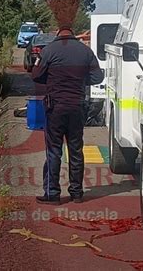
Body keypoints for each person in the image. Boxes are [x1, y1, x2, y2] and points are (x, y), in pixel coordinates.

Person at [31, 26, 104, 205]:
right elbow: (98, 77)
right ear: (73, 34)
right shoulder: (86, 51)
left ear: (57, 35)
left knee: (54, 150)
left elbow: (36, 75)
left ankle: (53, 194)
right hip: (77, 107)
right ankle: (77, 193)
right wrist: (80, 80)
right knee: (76, 149)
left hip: (55, 107)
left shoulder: (48, 51)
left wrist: (51, 78)